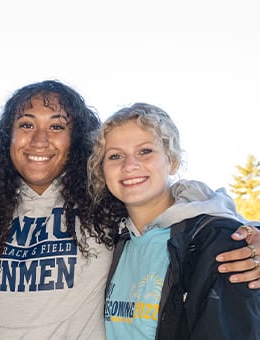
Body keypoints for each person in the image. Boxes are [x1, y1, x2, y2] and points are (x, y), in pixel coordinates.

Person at [0, 80, 260, 339]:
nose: (40, 139)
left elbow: (181, 207)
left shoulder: (102, 206)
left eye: (56, 126)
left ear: (76, 139)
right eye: (26, 124)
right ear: (6, 137)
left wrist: (251, 236)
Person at [86, 103, 260, 339]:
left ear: (173, 160)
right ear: (102, 170)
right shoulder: (113, 242)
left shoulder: (215, 242)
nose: (129, 165)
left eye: (145, 151)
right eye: (115, 156)